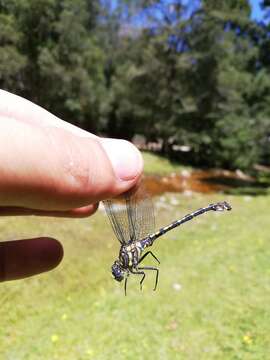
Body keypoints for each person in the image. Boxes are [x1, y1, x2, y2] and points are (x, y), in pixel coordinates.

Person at [0, 90, 143, 282]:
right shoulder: (126, 255)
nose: (118, 268)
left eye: (118, 269)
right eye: (118, 269)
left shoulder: (127, 249)